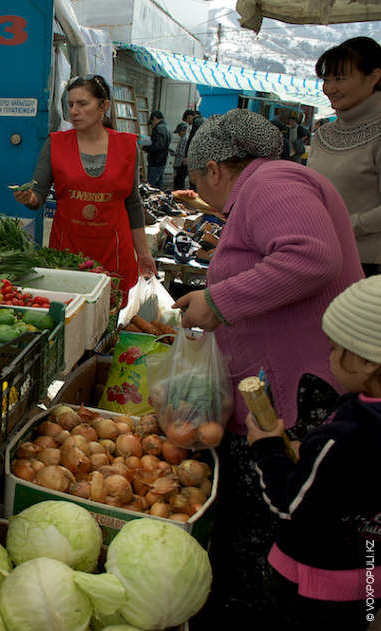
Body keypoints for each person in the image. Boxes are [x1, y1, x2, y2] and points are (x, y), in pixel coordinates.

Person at [173, 108, 364, 628]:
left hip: (297, 392)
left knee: (276, 529)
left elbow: (311, 256)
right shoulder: (268, 187)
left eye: (195, 180)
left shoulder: (271, 181)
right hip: (280, 387)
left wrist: (219, 301)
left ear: (213, 168)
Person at [247, 275, 381, 631]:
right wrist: (308, 450)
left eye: (336, 349)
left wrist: (266, 447)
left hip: (310, 588)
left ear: (369, 363)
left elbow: (288, 504)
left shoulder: (346, 435)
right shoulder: (364, 412)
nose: (330, 356)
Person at [12, 74, 157, 307]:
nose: (74, 111)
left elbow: (133, 202)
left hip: (114, 252)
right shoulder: (56, 144)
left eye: (82, 104)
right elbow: (38, 194)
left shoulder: (127, 147)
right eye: (70, 104)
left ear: (104, 107)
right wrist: (29, 198)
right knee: (69, 314)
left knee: (109, 318)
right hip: (67, 250)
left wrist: (144, 253)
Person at [308, 36, 381, 278]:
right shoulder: (322, 135)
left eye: (340, 78)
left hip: (367, 268)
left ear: (373, 77)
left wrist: (343, 225)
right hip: (318, 256)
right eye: (327, 80)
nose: (330, 88)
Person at [141, 110, 169, 188]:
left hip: (155, 160)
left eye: (152, 121)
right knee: (158, 185)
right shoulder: (166, 127)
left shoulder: (158, 128)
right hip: (162, 160)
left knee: (151, 186)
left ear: (155, 118)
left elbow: (157, 146)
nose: (152, 124)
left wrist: (146, 147)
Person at [170, 122, 189, 189]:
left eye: (179, 132)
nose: (178, 134)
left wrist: (173, 153)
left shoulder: (184, 139)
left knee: (178, 181)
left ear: (184, 131)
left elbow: (181, 152)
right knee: (180, 180)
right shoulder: (185, 138)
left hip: (179, 163)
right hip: (180, 163)